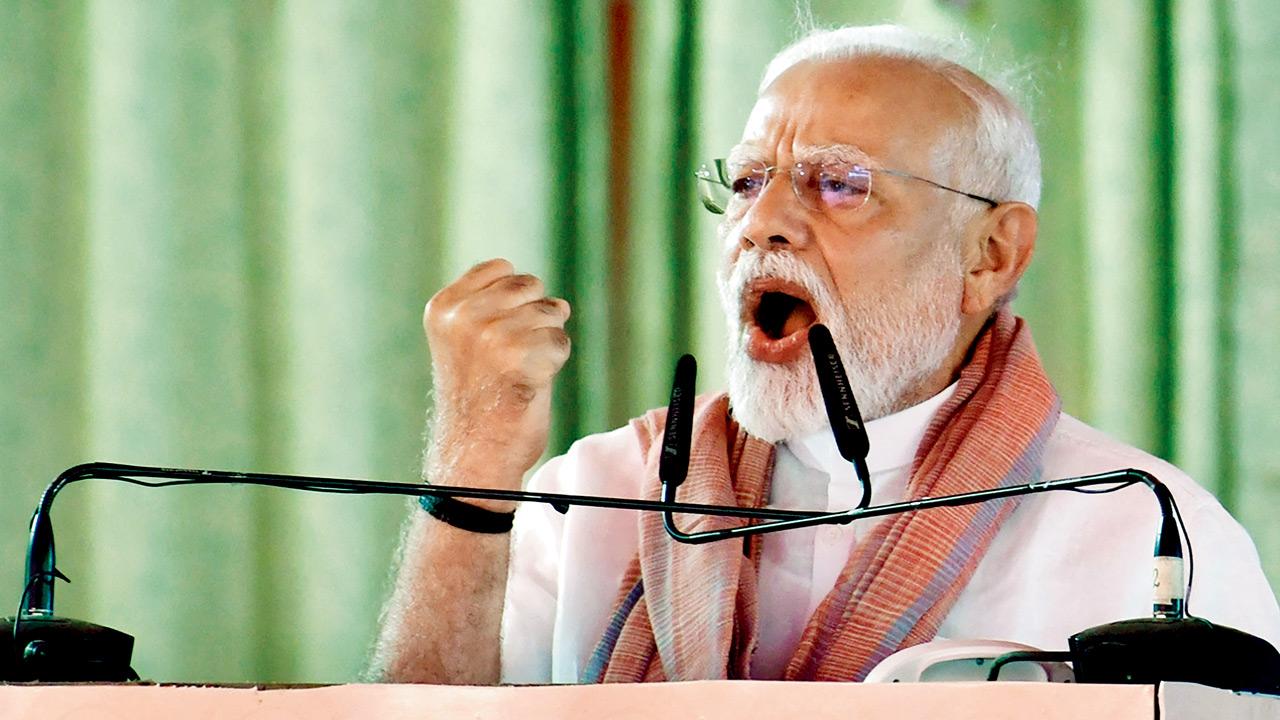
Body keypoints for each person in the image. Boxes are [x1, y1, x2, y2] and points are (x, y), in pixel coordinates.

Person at [370, 25, 1280, 685]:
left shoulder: (1143, 529)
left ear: (991, 255)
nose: (762, 223)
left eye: (840, 184)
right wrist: (474, 463)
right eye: (749, 181)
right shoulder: (596, 494)